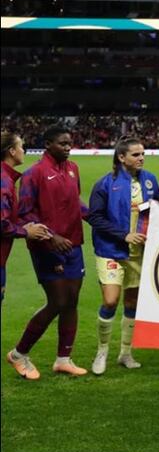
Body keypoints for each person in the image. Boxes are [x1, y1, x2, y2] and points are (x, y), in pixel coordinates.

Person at [7, 125, 91, 379]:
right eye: (62, 144)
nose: (68, 148)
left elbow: (75, 203)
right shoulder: (34, 174)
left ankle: (63, 359)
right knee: (58, 301)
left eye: (70, 143)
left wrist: (95, 217)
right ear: (48, 144)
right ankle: (19, 354)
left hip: (73, 244)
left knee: (72, 301)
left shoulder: (73, 169)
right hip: (47, 247)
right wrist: (51, 237)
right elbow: (25, 214)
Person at [86, 138, 159, 375]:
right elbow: (95, 218)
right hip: (111, 251)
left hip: (139, 254)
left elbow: (158, 210)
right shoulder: (105, 184)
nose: (141, 158)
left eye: (142, 154)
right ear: (121, 157)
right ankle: (102, 351)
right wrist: (123, 235)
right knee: (110, 301)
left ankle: (125, 353)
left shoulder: (150, 181)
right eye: (136, 154)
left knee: (132, 304)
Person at [3, 133, 51, 304]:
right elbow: (2, 223)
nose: (24, 150)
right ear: (12, 151)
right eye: (21, 147)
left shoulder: (7, 178)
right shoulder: (4, 181)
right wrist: (25, 231)